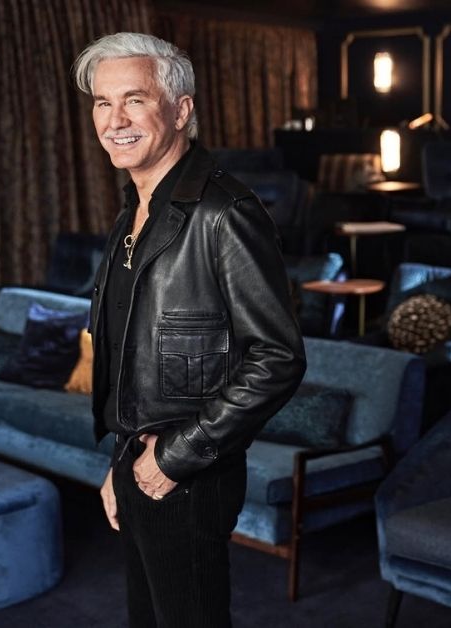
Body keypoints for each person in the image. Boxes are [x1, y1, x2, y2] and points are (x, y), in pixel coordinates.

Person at [74, 33, 306, 626]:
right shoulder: (132, 212)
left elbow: (276, 357)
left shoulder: (225, 212)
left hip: (189, 475)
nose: (115, 120)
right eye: (103, 102)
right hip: (139, 465)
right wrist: (122, 463)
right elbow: (133, 357)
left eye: (134, 100)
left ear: (181, 110)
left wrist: (173, 458)